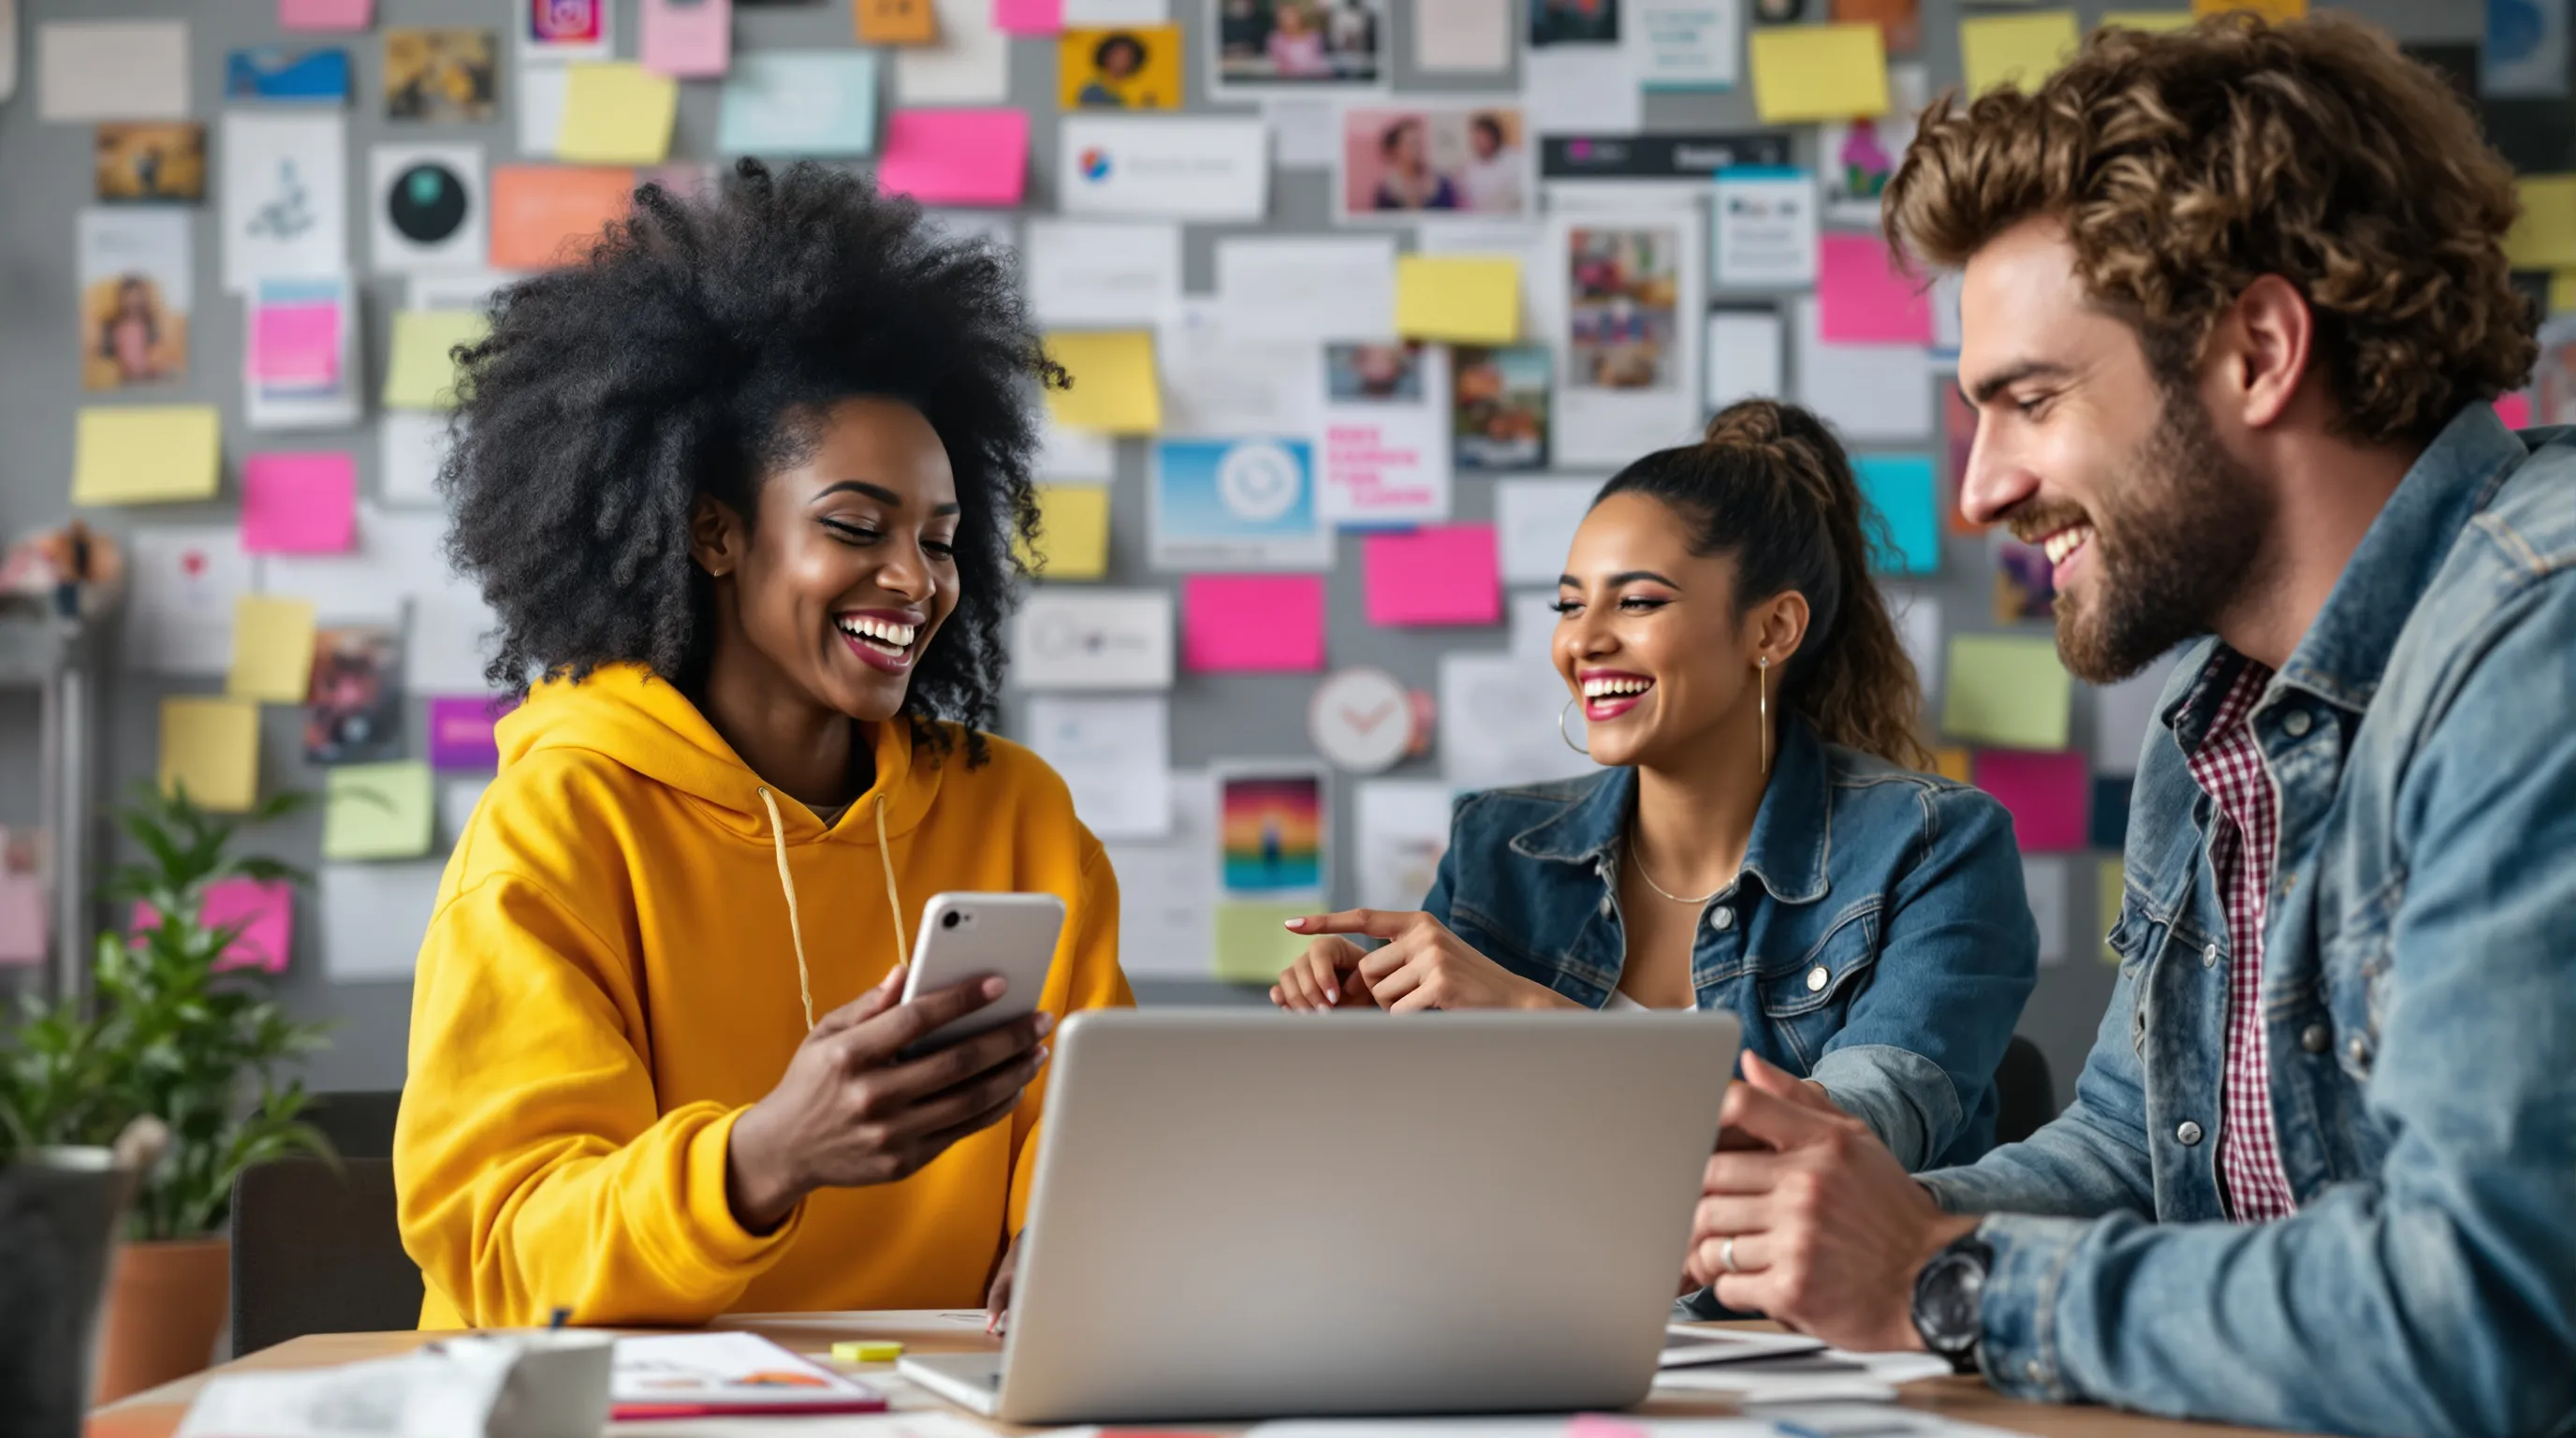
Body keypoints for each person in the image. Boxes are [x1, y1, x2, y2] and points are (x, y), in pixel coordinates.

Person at [1683, 19, 2576, 1436]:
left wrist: (1940, 1278)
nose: (1981, 491)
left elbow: (2484, 1312)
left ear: (2260, 351)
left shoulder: (2540, 643)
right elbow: (2137, 1153)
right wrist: (1809, 1230)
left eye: (2032, 400)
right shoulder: (2217, 714)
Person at [394, 161, 1134, 1331]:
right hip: (623, 1400)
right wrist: (765, 1159)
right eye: (857, 526)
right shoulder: (561, 822)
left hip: (937, 1400)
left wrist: (1067, 1229)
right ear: (715, 533)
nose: (915, 581)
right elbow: (501, 1246)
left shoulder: (1018, 818)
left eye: (940, 541)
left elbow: (1101, 1135)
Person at [1273, 400, 2039, 1176]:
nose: (1583, 640)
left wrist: (1536, 1015)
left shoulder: (1935, 846)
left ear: (1772, 630)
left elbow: (1849, 1143)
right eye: (1570, 605)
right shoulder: (1495, 846)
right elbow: (1436, 1160)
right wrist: (1368, 1035)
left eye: (1637, 601)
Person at [1370, 118, 1459, 213]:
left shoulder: (1443, 184)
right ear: (1396, 149)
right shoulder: (1386, 192)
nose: (1418, 149)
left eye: (1419, 143)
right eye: (1412, 144)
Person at [1458, 113, 1524, 215]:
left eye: (1482, 137)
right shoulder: (1470, 168)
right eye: (1475, 138)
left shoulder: (1516, 159)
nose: (1478, 142)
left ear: (1494, 136)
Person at [1076, 32, 1146, 107]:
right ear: (1107, 57)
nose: (1123, 61)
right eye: (1118, 56)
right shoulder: (1094, 92)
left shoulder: (1119, 94)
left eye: (1128, 57)